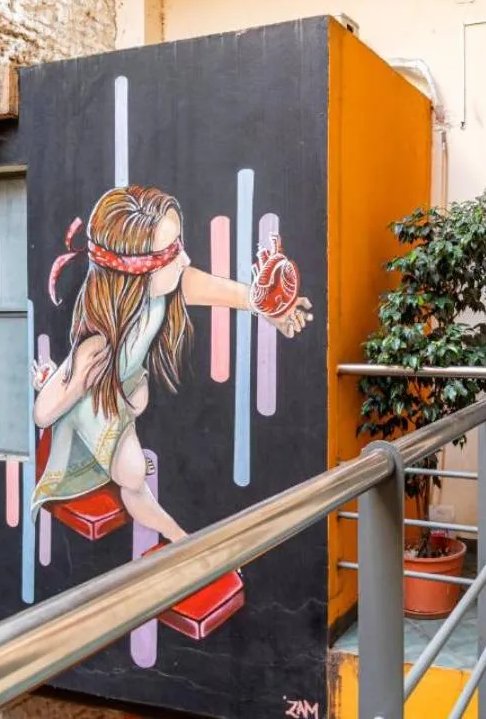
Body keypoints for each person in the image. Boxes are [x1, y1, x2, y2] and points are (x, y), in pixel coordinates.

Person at [29, 185, 311, 542]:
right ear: (135, 272)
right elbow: (42, 413)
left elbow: (215, 289)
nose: (185, 259)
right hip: (99, 406)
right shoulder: (96, 345)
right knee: (133, 475)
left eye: (179, 245)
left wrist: (269, 309)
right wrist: (70, 383)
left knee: (137, 422)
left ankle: (168, 525)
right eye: (170, 253)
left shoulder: (160, 292)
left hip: (126, 392)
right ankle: (179, 538)